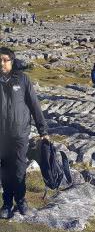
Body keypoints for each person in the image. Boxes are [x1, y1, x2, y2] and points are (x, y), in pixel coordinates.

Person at [0, 47, 48, 218]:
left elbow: (35, 105)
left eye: (5, 59)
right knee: (5, 169)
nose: (1, 63)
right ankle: (6, 203)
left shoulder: (22, 79)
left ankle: (21, 200)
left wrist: (43, 130)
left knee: (20, 168)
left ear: (12, 61)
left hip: (20, 133)